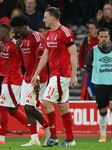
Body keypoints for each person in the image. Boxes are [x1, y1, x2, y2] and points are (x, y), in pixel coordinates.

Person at [31, 7, 77, 147]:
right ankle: (70, 139)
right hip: (55, 75)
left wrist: (74, 76)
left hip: (61, 75)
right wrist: (36, 73)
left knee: (46, 102)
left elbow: (73, 54)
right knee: (63, 106)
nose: (43, 20)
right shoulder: (49, 34)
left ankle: (54, 137)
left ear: (53, 18)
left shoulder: (65, 33)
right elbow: (45, 55)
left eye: (45, 17)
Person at [10, 14, 50, 146]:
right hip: (27, 77)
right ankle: (34, 139)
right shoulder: (22, 40)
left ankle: (48, 130)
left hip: (38, 77)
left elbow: (41, 57)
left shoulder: (37, 37)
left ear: (23, 26)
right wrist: (18, 48)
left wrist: (37, 78)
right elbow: (23, 62)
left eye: (17, 30)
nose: (16, 33)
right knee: (27, 108)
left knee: (30, 107)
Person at [0, 23, 27, 145]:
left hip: (13, 80)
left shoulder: (15, 45)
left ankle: (1, 138)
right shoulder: (2, 45)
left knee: (3, 107)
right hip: (8, 80)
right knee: (12, 110)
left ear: (6, 32)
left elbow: (24, 61)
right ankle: (37, 130)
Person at [86, 28, 112, 142]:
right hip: (99, 85)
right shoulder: (93, 51)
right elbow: (89, 67)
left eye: (105, 36)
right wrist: (96, 78)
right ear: (98, 37)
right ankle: (103, 135)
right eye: (101, 36)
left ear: (109, 37)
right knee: (102, 111)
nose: (103, 39)